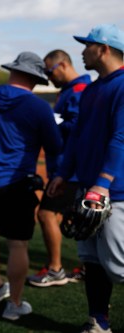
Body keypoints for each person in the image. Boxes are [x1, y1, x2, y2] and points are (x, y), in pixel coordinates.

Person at [0, 52, 62, 321]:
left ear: (13, 71)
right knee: (18, 244)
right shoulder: (38, 107)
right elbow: (55, 146)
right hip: (16, 183)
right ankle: (15, 303)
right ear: (34, 78)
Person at [47, 24, 124, 333]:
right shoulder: (93, 89)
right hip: (87, 187)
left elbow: (121, 137)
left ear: (103, 49)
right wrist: (64, 173)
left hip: (114, 190)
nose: (82, 51)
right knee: (91, 261)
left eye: (87, 46)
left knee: (118, 265)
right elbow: (78, 137)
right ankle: (98, 321)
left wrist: (103, 182)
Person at [27, 50, 90, 287]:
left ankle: (55, 269)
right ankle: (87, 268)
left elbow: (79, 127)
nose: (49, 77)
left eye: (50, 71)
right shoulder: (68, 91)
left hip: (71, 169)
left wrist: (50, 120)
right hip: (64, 167)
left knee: (46, 214)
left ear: (62, 65)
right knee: (79, 220)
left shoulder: (79, 90)